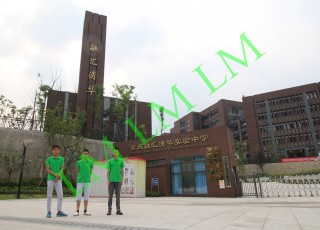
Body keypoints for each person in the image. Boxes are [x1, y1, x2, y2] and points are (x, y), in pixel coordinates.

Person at [46, 145, 68, 218]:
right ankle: (49, 212)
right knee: (49, 196)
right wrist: (55, 174)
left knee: (60, 195)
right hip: (50, 180)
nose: (56, 150)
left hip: (58, 180)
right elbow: (47, 169)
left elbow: (62, 169)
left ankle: (59, 211)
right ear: (52, 150)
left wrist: (58, 177)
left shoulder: (61, 159)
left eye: (58, 149)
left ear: (59, 150)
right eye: (55, 149)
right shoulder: (49, 159)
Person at [73, 149, 93, 216]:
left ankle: (85, 210)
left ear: (88, 155)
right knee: (78, 196)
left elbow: (90, 172)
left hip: (87, 181)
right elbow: (77, 171)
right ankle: (77, 210)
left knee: (86, 196)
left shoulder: (90, 162)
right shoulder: (79, 162)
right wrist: (79, 178)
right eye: (84, 153)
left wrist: (87, 178)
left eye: (86, 154)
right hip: (80, 181)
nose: (85, 155)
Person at [107, 146, 124, 215]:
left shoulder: (121, 161)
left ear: (118, 152)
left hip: (118, 181)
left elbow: (122, 171)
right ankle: (109, 209)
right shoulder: (110, 161)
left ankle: (118, 209)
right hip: (111, 181)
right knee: (110, 196)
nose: (115, 153)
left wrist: (122, 180)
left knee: (118, 196)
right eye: (114, 152)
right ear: (113, 153)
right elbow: (108, 172)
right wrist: (108, 180)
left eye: (117, 152)